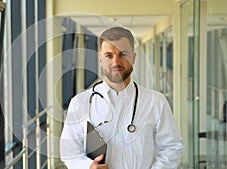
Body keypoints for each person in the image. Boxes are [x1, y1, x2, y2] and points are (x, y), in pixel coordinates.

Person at [60, 27, 184, 169]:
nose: (115, 62)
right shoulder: (80, 103)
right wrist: (88, 166)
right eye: (109, 55)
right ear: (100, 60)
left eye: (123, 54)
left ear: (133, 57)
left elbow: (173, 147)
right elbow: (69, 152)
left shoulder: (156, 102)